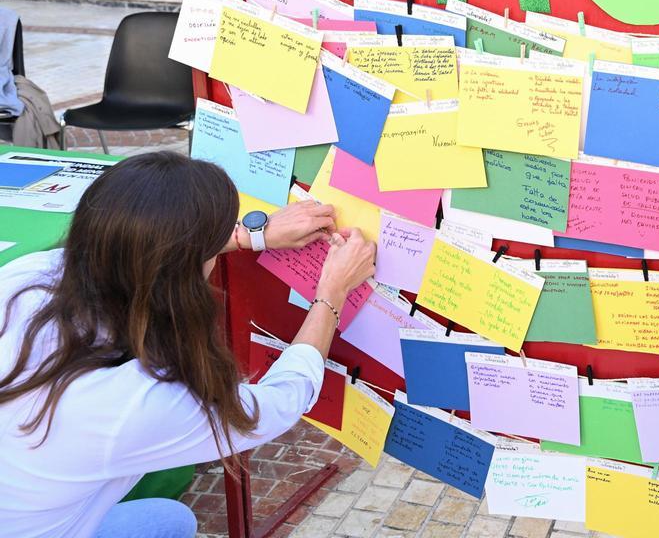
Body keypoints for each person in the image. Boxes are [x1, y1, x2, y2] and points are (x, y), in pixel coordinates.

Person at [0, 152, 377, 538]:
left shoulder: (28, 277)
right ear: (188, 276)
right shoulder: (139, 401)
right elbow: (277, 404)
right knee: (169, 523)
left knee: (169, 519)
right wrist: (333, 292)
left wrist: (250, 235)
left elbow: (145, 258)